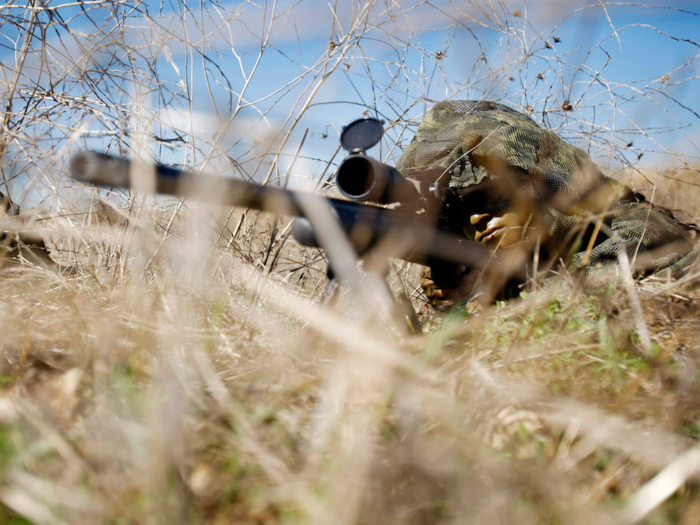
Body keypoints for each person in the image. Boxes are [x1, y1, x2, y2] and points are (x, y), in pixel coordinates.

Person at [395, 100, 700, 309]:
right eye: (460, 208)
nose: (476, 218)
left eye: (491, 196)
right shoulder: (521, 258)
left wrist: (493, 297)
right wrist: (456, 297)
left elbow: (582, 295)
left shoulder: (634, 228)